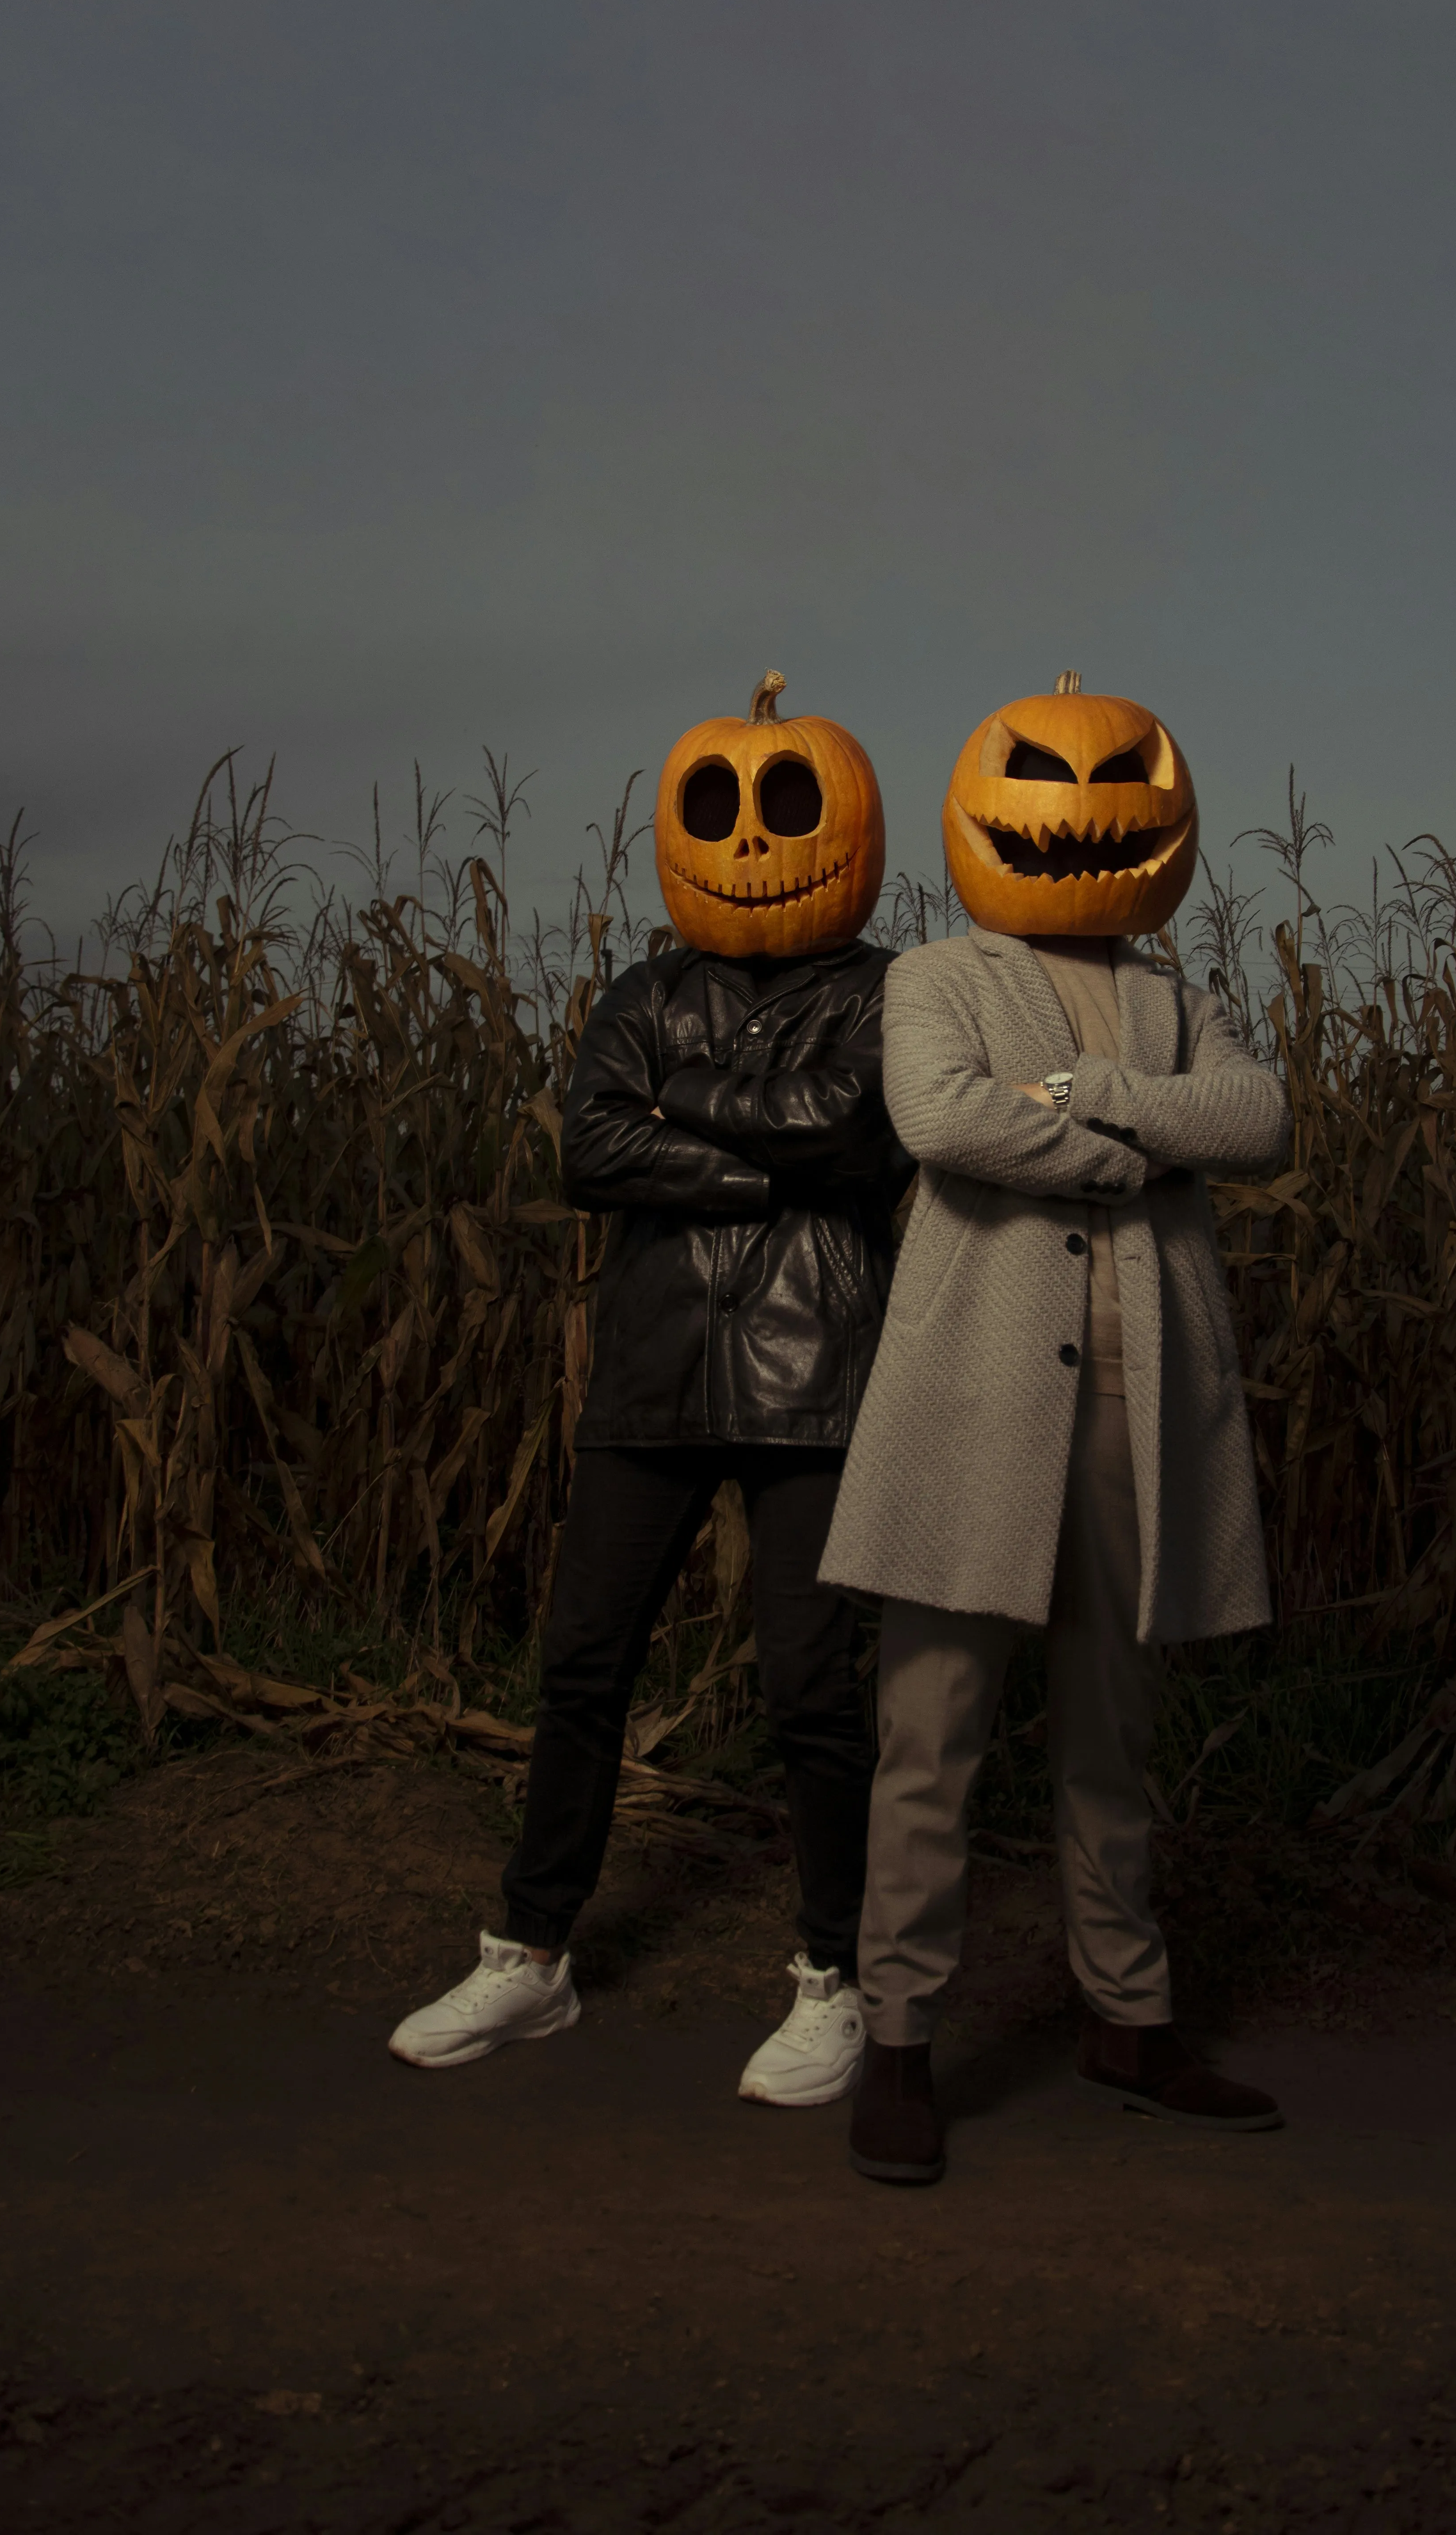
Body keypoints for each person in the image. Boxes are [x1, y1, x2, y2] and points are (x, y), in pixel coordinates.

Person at [391, 675, 906, 2105]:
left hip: (817, 1374)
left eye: (787, 807)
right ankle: (532, 1957)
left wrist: (682, 1109)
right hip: (655, 1368)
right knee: (583, 1664)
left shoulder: (885, 991)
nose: (752, 842)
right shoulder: (641, 991)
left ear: (844, 830)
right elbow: (588, 1153)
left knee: (812, 1688)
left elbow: (852, 1128)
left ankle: (836, 1979)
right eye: (719, 810)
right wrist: (756, 1169)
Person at [821, 674, 1291, 2182]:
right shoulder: (937, 976)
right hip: (972, 1404)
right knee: (932, 1734)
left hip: (1141, 1413)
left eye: (1123, 786)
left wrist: (1090, 1095)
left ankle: (1127, 2019)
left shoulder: (1180, 997)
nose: (1087, 811)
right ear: (985, 812)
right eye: (1042, 780)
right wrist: (1138, 1146)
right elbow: (944, 1119)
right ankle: (898, 2044)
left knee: (1113, 1732)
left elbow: (1261, 1121)